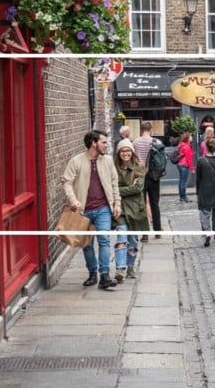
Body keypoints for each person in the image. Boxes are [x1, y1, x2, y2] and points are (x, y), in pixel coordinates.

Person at [60, 130, 122, 290]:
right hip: (84, 211)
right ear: (93, 143)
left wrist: (117, 203)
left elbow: (115, 182)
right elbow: (66, 181)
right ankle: (92, 273)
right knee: (87, 244)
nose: (106, 145)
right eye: (103, 142)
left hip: (103, 209)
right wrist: (73, 200)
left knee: (104, 241)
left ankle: (105, 276)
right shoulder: (76, 161)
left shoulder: (107, 161)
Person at [112, 139, 148, 282]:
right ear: (118, 153)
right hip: (119, 208)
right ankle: (120, 268)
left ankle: (130, 266)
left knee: (132, 240)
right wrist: (124, 190)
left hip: (135, 209)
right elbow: (110, 188)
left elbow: (138, 188)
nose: (125, 153)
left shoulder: (139, 168)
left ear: (132, 152)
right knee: (122, 236)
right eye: (122, 151)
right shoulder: (114, 169)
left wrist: (118, 190)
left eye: (128, 150)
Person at [132, 121, 163, 233]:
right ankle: (157, 229)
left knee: (142, 202)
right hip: (154, 175)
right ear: (151, 130)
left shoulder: (135, 142)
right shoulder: (156, 141)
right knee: (155, 202)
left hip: (140, 175)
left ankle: (144, 231)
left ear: (141, 130)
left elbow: (133, 159)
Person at [176, 131, 195, 204]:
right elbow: (189, 159)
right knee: (183, 182)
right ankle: (184, 197)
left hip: (180, 164)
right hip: (184, 165)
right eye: (190, 136)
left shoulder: (181, 145)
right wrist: (192, 168)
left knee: (181, 181)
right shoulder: (187, 146)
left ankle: (181, 197)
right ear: (187, 138)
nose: (192, 137)